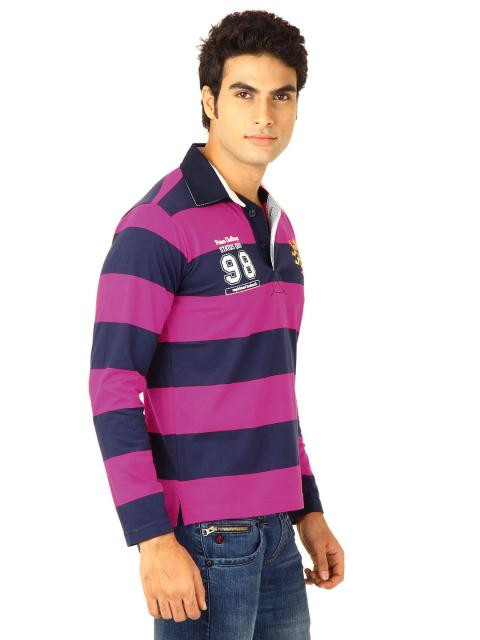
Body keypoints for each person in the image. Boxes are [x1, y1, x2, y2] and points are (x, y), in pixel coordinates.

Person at [88, 9, 344, 639]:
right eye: (244, 93)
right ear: (209, 100)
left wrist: (308, 508)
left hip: (278, 534)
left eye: (282, 96)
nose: (265, 116)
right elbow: (113, 387)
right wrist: (152, 539)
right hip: (203, 539)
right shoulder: (157, 225)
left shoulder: (280, 227)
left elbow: (271, 385)